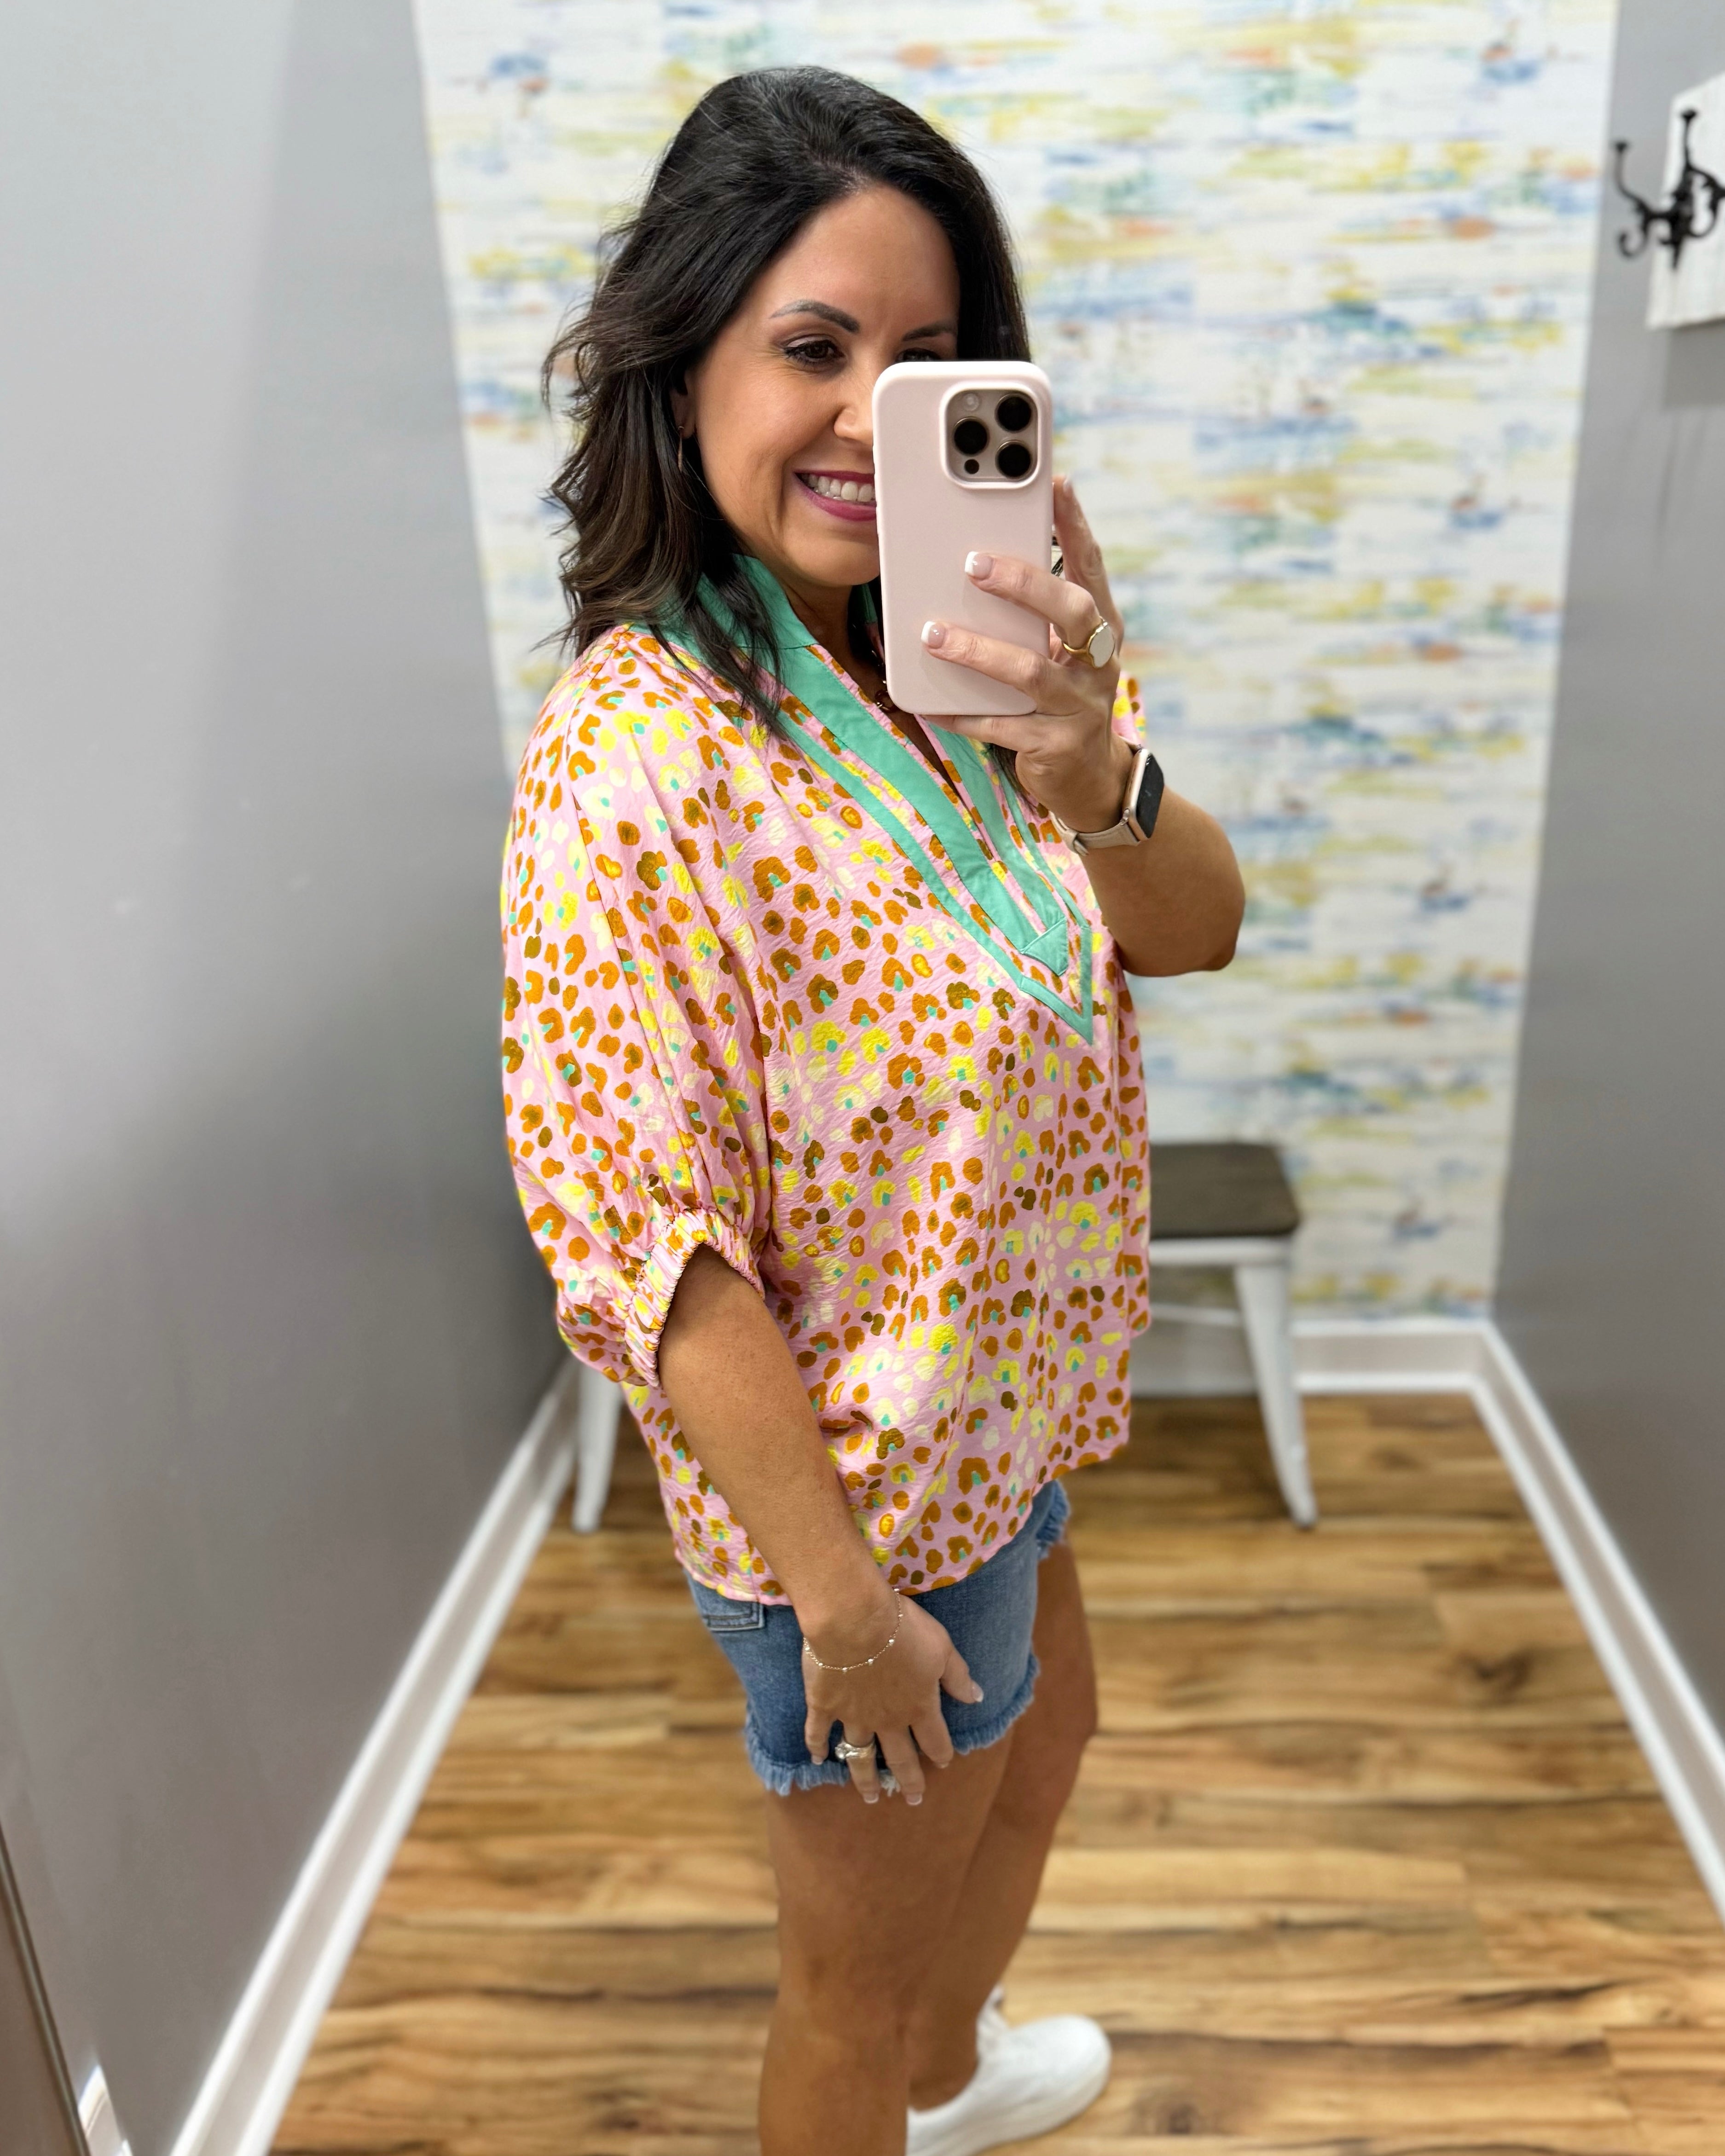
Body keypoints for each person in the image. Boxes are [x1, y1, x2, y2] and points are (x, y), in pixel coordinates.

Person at [502, 66, 1244, 2156]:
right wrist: (839, 1605)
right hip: (860, 1512)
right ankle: (895, 2082)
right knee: (838, 1981)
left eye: (928, 366)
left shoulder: (954, 666)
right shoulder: (634, 760)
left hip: (1001, 1425)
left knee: (1048, 1738)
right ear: (688, 358)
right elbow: (650, 1242)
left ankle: (950, 2071)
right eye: (812, 348)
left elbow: (1193, 929)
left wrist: (1086, 749)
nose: (864, 417)